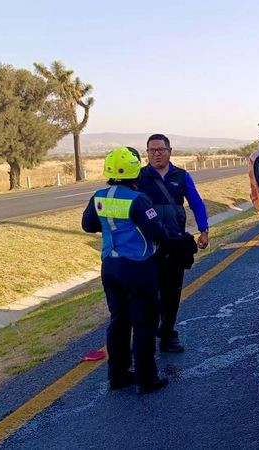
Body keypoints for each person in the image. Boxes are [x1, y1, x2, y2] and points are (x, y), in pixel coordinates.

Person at [81, 147, 174, 395]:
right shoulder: (137, 199)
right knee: (144, 322)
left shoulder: (99, 196)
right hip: (137, 266)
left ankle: (118, 374)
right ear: (135, 172)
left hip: (109, 266)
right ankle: (147, 379)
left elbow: (88, 225)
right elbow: (157, 230)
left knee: (119, 321)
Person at [137, 133, 209, 353]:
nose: (157, 154)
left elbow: (196, 203)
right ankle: (147, 337)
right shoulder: (139, 177)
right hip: (147, 246)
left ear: (170, 151)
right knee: (149, 294)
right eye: (152, 150)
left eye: (161, 150)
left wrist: (204, 230)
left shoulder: (182, 176)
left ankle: (168, 335)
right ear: (147, 153)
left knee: (172, 293)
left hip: (175, 244)